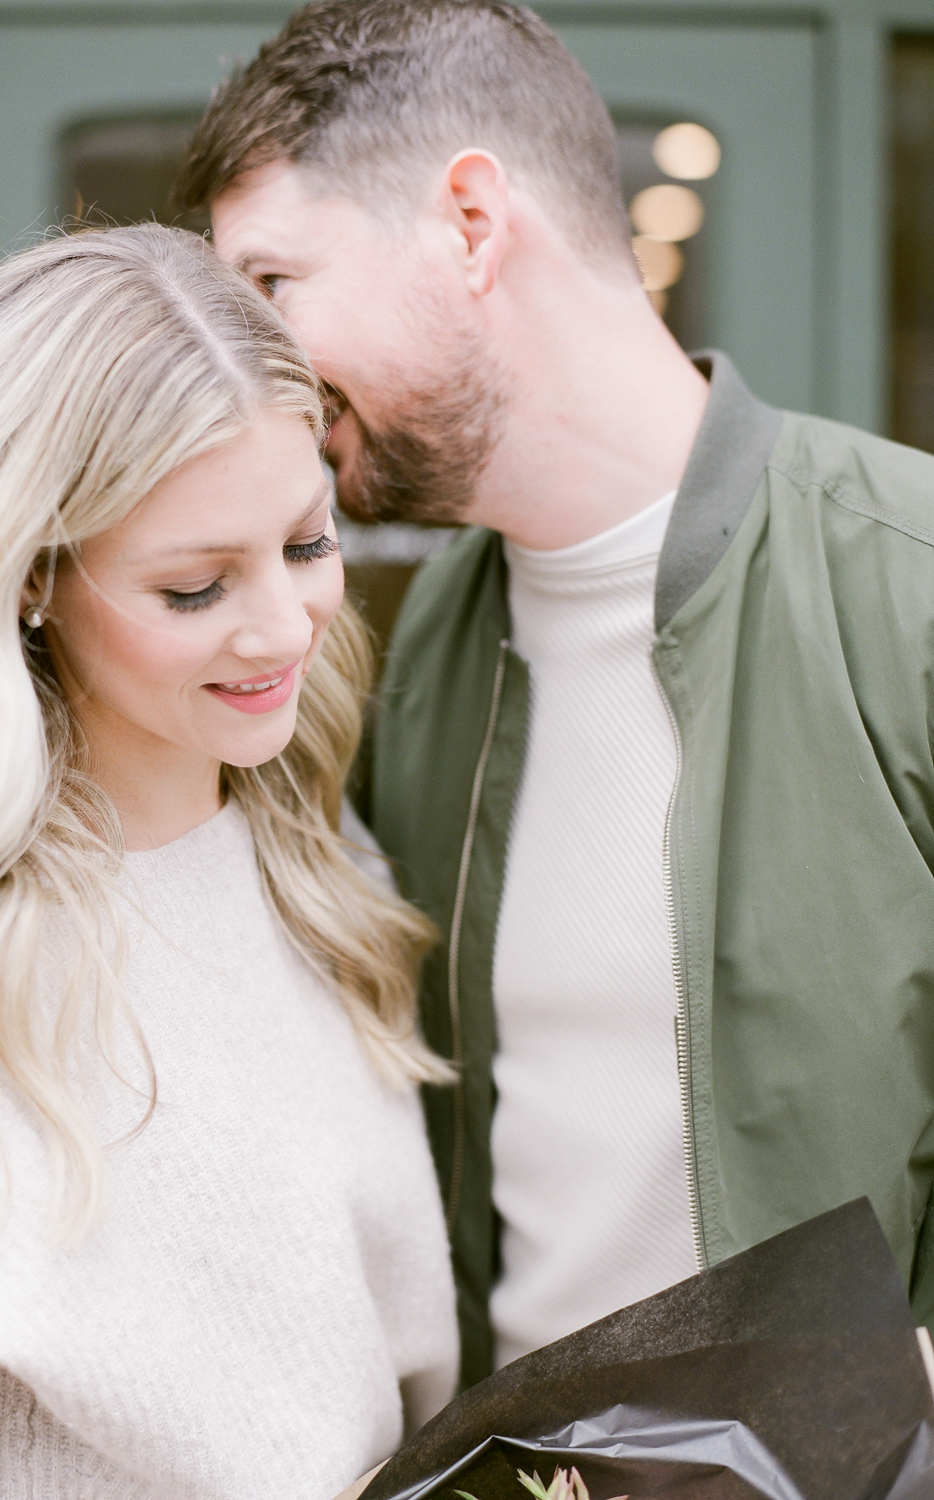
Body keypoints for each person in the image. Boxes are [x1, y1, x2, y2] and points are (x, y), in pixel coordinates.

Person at [178, 0, 934, 1392]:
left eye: (271, 287)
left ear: (469, 220)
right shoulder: (401, 658)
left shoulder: (908, 581)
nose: (252, 368)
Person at [0, 224, 459, 1499]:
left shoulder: (322, 865)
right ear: (23, 579)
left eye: (306, 543)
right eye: (194, 587)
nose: (284, 627)